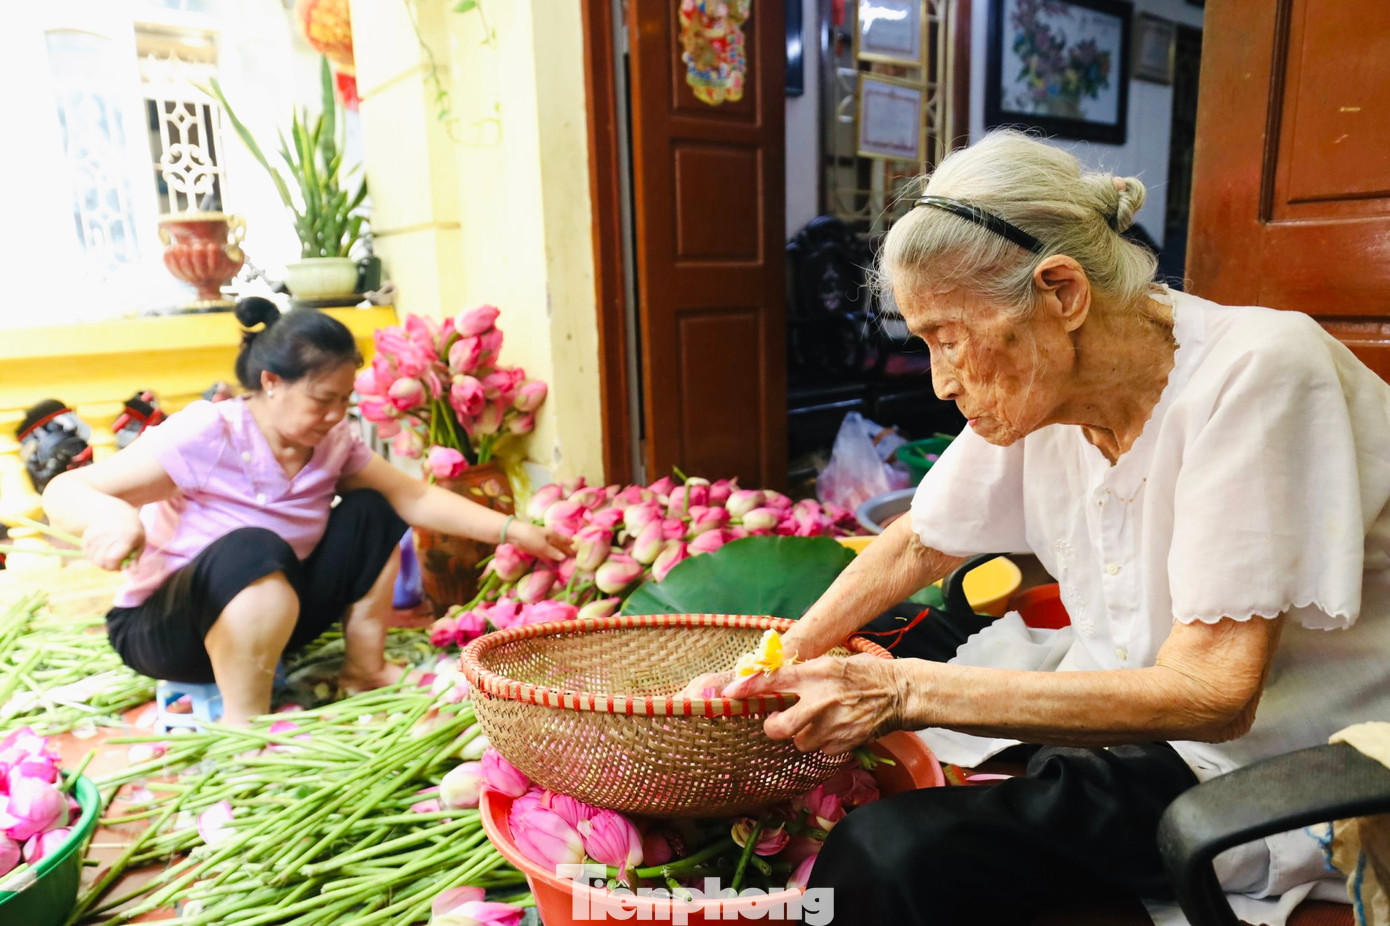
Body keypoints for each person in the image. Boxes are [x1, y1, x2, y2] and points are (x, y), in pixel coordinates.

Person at [720, 131, 1390, 925]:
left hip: (1257, 767)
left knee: (888, 854)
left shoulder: (1257, 373)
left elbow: (1215, 695)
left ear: (1063, 292)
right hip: (1127, 718)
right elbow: (920, 538)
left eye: (947, 338)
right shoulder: (1049, 385)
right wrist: (773, 660)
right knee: (902, 626)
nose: (938, 380)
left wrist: (900, 692)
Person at [42, 298, 570, 725]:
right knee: (257, 545)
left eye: (346, 400)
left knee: (373, 510)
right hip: (165, 629)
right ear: (271, 382)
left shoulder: (333, 442)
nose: (337, 415)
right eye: (323, 399)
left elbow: (414, 496)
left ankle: (364, 669)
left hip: (271, 619)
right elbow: (66, 490)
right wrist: (115, 518)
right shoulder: (211, 432)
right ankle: (244, 727)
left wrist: (512, 529)